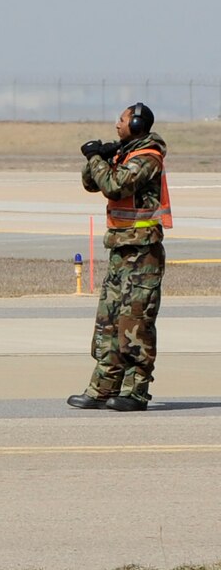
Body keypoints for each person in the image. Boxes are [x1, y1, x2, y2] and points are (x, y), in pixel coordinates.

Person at [68, 103, 170, 411]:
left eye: (122, 120)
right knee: (108, 322)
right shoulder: (126, 153)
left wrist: (96, 158)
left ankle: (135, 392)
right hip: (120, 250)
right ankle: (103, 388)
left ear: (137, 124)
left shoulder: (148, 158)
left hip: (143, 253)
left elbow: (114, 186)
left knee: (134, 324)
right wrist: (102, 156)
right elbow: (91, 183)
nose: (117, 124)